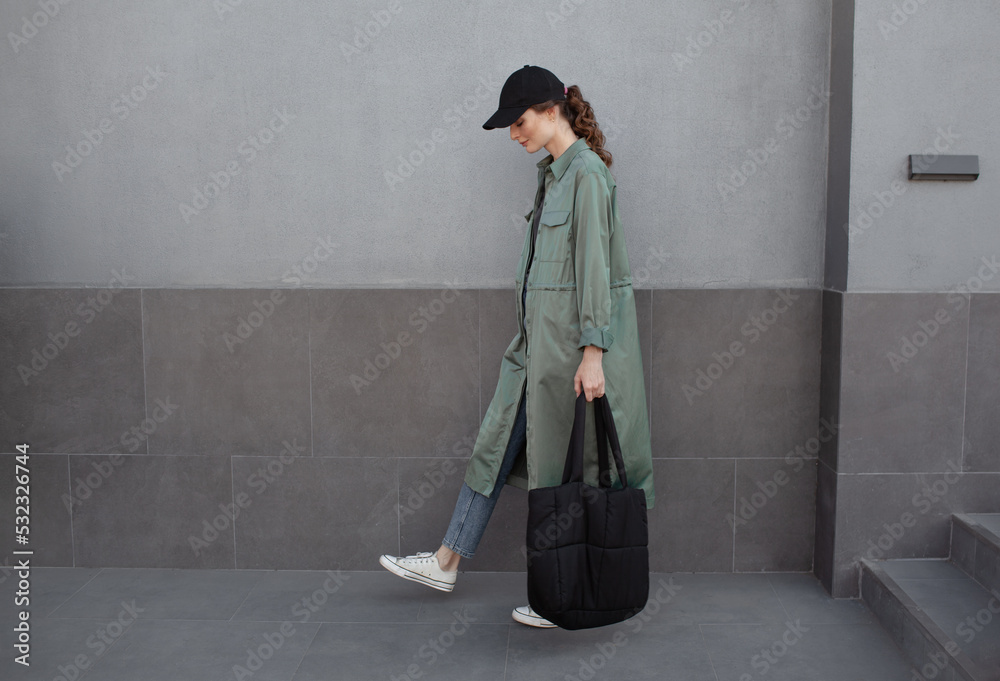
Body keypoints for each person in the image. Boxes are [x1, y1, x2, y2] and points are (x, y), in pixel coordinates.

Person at [380, 65, 654, 628]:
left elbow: (597, 273)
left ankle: (562, 594)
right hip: (536, 352)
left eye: (519, 121)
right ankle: (447, 560)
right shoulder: (554, 174)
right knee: (495, 445)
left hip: (571, 358)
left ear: (551, 110)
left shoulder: (587, 177)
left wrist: (594, 353)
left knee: (570, 472)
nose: (513, 134)